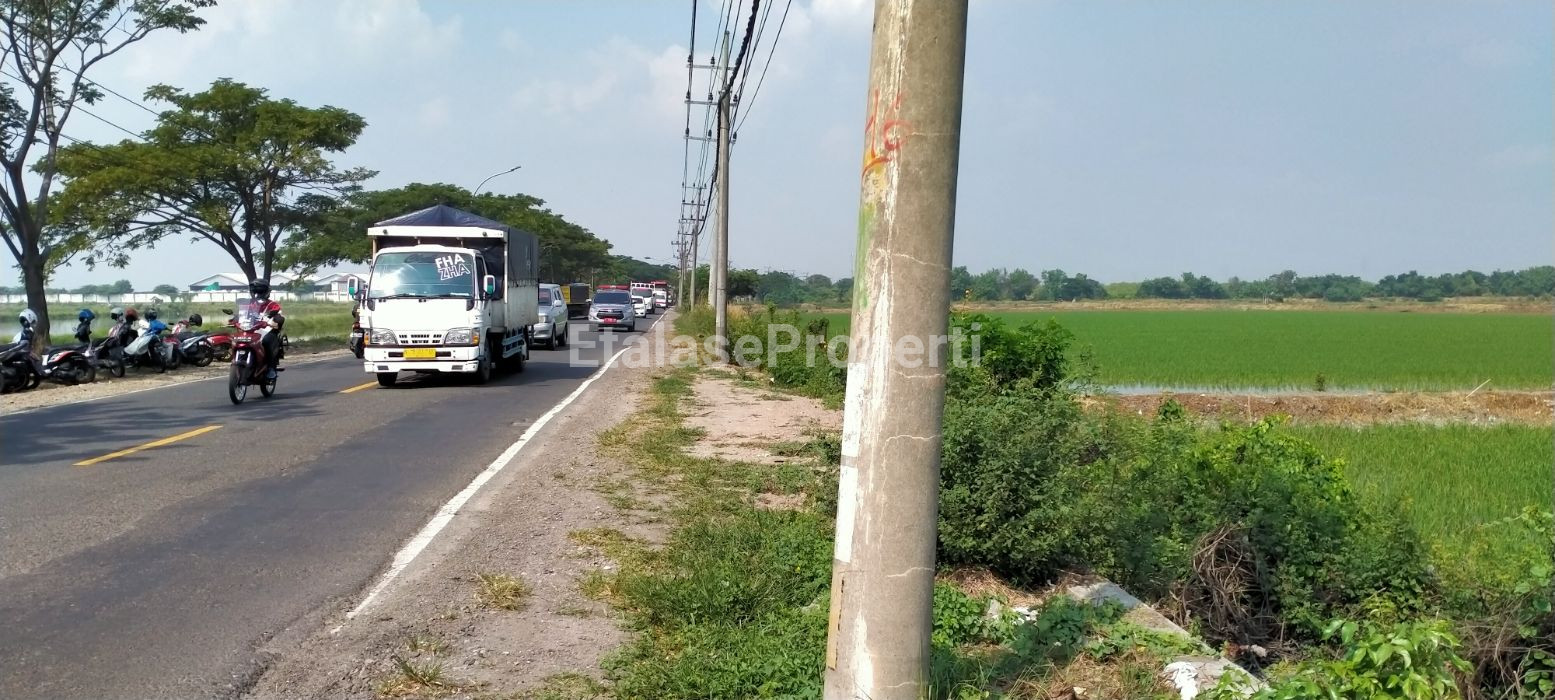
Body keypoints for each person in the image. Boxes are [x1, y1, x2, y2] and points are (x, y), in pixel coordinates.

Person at [248, 280, 285, 379]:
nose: (258, 294)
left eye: (260, 291)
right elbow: (242, 314)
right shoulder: (249, 304)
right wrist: (235, 319)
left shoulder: (273, 304)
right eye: (256, 291)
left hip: (267, 329)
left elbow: (279, 315)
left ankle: (271, 368)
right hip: (251, 329)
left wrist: (277, 320)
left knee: (267, 342)